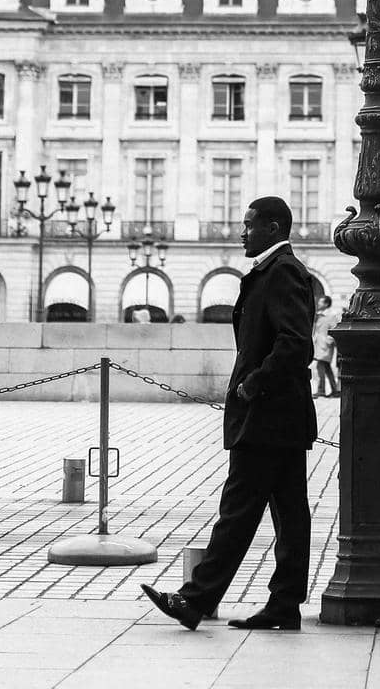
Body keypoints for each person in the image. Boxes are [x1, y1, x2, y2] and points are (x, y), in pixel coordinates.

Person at [141, 195, 316, 632]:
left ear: (273, 229)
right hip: (278, 416)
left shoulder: (283, 273)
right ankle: (284, 605)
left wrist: (255, 382)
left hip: (268, 417)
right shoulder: (274, 272)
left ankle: (195, 599)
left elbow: (296, 342)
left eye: (250, 224)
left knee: (239, 511)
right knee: (290, 514)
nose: (242, 231)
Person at [312, 294, 339, 397]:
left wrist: (328, 341)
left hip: (325, 347)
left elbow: (334, 331)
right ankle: (334, 390)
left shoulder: (331, 316)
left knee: (320, 367)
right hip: (318, 345)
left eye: (321, 302)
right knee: (326, 368)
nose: (319, 303)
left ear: (326, 304)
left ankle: (321, 390)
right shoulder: (319, 315)